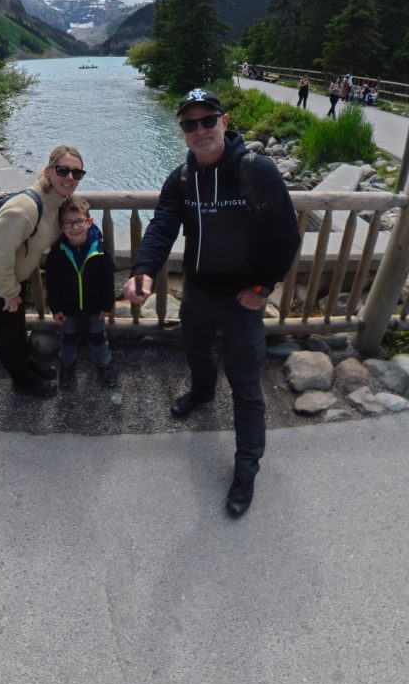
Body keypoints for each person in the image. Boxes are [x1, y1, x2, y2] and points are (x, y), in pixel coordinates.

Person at [124, 88, 301, 517]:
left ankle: (246, 467)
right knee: (196, 352)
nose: (200, 130)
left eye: (208, 120)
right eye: (190, 124)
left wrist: (262, 288)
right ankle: (202, 393)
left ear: (224, 122)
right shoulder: (182, 179)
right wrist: (143, 269)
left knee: (246, 385)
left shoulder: (256, 170)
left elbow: (286, 235)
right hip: (199, 292)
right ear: (183, 131)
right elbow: (162, 226)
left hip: (243, 299)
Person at [0, 145, 86, 398]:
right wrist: (8, 291)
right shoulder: (24, 208)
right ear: (48, 171)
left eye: (77, 173)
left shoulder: (55, 202)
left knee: (16, 329)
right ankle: (22, 381)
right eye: (63, 170)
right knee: (8, 336)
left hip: (13, 279)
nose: (70, 177)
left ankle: (26, 365)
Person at [45, 197, 117, 389]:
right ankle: (67, 365)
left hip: (95, 306)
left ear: (89, 222)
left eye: (79, 221)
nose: (75, 227)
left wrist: (107, 304)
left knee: (98, 336)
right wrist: (55, 308)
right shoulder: (57, 253)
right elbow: (51, 282)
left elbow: (108, 279)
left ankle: (105, 365)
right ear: (61, 226)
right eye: (68, 223)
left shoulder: (100, 250)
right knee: (67, 337)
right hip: (67, 306)